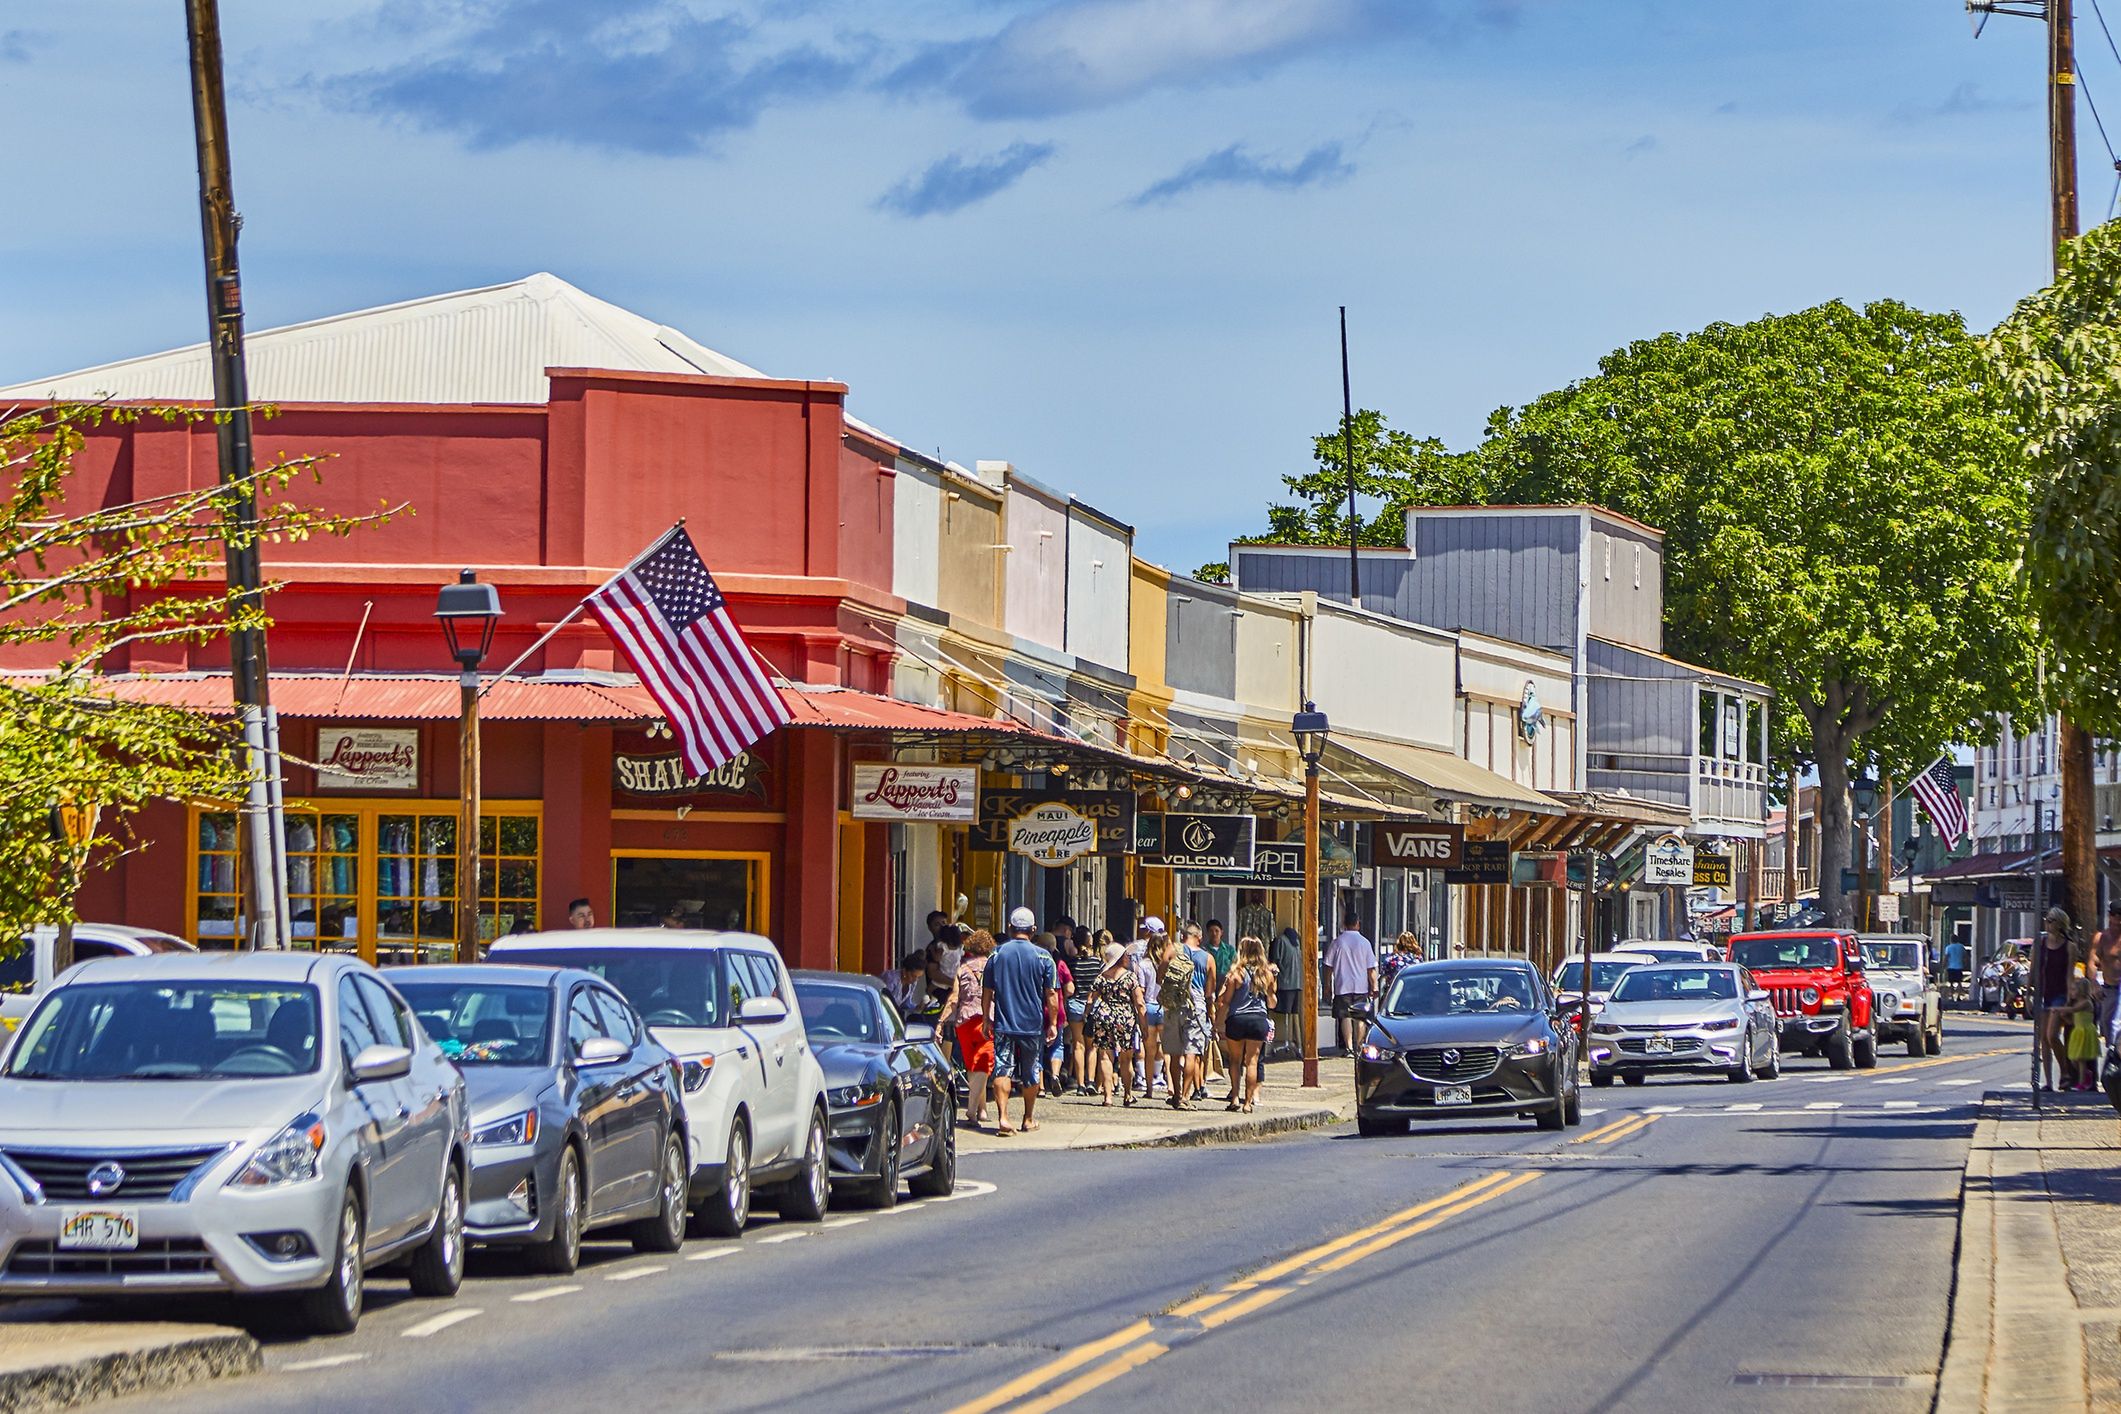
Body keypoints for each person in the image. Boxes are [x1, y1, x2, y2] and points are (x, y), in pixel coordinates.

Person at [986, 908, 1060, 1134]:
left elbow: (987, 991)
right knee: (1031, 1070)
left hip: (1004, 1023)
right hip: (1032, 1025)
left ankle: (1003, 1117)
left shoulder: (996, 954)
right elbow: (1051, 994)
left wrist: (986, 1018)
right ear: (1033, 930)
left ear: (1010, 928)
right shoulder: (1044, 957)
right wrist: (1053, 1023)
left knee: (1002, 1068)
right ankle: (1028, 1118)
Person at [936, 930, 996, 1127]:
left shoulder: (962, 968)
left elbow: (954, 998)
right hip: (987, 1020)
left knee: (972, 1066)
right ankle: (972, 1110)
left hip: (965, 1023)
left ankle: (982, 1110)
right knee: (983, 1063)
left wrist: (941, 1022)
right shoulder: (993, 966)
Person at [1217, 936, 1278, 1113]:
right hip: (1258, 1020)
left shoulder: (1236, 974)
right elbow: (1272, 1003)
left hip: (1237, 1019)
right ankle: (1248, 1103)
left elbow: (1226, 1002)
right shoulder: (1266, 974)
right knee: (1252, 1062)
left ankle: (1235, 1097)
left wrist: (1217, 1023)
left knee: (1235, 1061)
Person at [1083, 939, 1147, 1106]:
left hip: (1104, 1017)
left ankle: (1108, 1097)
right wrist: (1143, 1026)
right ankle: (1127, 1094)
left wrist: (1086, 1015)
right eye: (1125, 955)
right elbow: (1140, 1004)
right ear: (1120, 958)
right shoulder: (1130, 977)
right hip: (1125, 1019)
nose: (1128, 958)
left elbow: (1090, 1000)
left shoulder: (1101, 978)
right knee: (1126, 1058)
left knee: (1105, 1056)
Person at [1155, 931, 1201, 1109]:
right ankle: (1185, 1097)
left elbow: (1160, 976)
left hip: (1173, 1008)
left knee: (1174, 1055)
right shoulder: (1205, 956)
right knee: (1190, 1053)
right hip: (1193, 1007)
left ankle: (1176, 1094)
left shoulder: (1172, 950)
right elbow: (1209, 987)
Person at [1323, 909, 1379, 1056]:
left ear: (1344, 924)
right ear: (1357, 924)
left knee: (1345, 1016)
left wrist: (1327, 985)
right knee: (1360, 1017)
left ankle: (1348, 1047)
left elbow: (1328, 966)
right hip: (1361, 986)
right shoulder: (1365, 943)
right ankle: (1359, 1046)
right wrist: (1374, 986)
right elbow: (1371, 968)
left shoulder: (1338, 942)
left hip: (1342, 985)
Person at [2036, 906, 2077, 1091]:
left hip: (2059, 995)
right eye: (2046, 919)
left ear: (2060, 924)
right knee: (2043, 1039)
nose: (2047, 923)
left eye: (2051, 920)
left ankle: (2065, 1071)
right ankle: (2048, 1082)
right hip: (2044, 993)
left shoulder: (2069, 946)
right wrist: (2028, 993)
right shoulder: (2040, 944)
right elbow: (2034, 969)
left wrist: (2069, 997)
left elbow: (2069, 974)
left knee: (2052, 1035)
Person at [1182, 923, 1218, 1101]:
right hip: (1197, 1005)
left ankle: (1177, 1090)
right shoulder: (1208, 958)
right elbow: (1209, 992)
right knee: (1195, 1052)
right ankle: (1191, 1091)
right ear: (1200, 937)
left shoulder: (1175, 952)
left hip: (1176, 1004)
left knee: (1173, 1054)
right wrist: (1212, 1014)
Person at [1132, 920, 1166, 1094]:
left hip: (1148, 1007)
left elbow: (1142, 989)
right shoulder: (1166, 963)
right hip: (1163, 1007)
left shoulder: (1142, 964)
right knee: (1165, 1047)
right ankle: (1162, 1079)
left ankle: (1148, 1086)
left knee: (1147, 1048)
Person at [1205, 920, 1236, 1088]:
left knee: (1223, 1023)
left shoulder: (1229, 950)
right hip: (1210, 988)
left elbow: (1234, 967)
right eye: (1211, 931)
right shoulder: (1204, 950)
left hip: (1225, 988)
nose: (1214, 934)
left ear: (1221, 932)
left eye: (1217, 930)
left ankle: (1225, 1054)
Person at [1269, 925, 1304, 1059]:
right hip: (1296, 984)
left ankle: (1271, 1044)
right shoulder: (1297, 942)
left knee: (1276, 1011)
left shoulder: (1281, 941)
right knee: (1292, 1014)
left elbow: (1275, 961)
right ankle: (1296, 1044)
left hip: (1284, 984)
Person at [2065, 963, 2101, 1091]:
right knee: (2074, 1058)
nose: (2072, 992)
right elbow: (2072, 1020)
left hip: (2086, 1031)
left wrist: (2058, 1009)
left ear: (2081, 991)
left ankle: (2081, 1082)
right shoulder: (2076, 1002)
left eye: (2074, 990)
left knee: (2080, 1059)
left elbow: (2073, 1010)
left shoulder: (2086, 1002)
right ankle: (2086, 1073)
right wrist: (2064, 1016)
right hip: (2078, 1031)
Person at [2093, 903, 2121, 1042]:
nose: (2120, 921)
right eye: (2118, 917)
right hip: (2110, 989)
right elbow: (2092, 961)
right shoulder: (2101, 937)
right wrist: (2094, 983)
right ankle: (2112, 1049)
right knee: (2106, 1023)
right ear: (2111, 916)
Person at [1944, 935, 1969, 1001]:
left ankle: (1952, 996)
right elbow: (1966, 956)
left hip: (1951, 967)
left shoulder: (1948, 947)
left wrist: (1944, 965)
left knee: (1951, 983)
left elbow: (1946, 957)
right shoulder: (1961, 947)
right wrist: (1965, 963)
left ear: (1951, 940)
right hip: (1959, 966)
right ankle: (1958, 996)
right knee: (1959, 982)